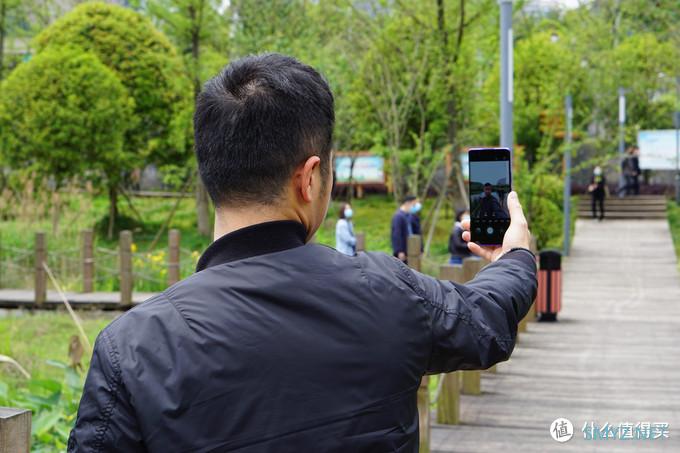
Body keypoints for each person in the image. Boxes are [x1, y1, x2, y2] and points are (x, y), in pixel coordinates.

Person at [68, 53, 537, 452]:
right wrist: (515, 256)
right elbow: (486, 321)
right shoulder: (389, 293)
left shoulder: (133, 346)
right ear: (310, 178)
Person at [391, 195, 419, 261]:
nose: (415, 207)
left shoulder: (408, 216)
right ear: (407, 203)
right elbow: (396, 234)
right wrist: (399, 251)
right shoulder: (398, 216)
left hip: (410, 250)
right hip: (402, 252)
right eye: (414, 205)